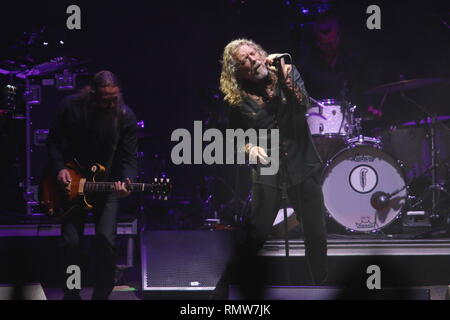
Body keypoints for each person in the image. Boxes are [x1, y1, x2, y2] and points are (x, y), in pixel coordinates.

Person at [213, 39, 328, 299]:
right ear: (237, 71)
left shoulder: (287, 72)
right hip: (267, 171)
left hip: (302, 164)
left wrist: (285, 71)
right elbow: (232, 138)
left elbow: (302, 105)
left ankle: (321, 290)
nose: (252, 61)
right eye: (244, 60)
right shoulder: (236, 98)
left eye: (253, 54)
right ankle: (219, 297)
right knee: (255, 237)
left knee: (317, 236)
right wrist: (248, 149)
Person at [46, 70, 138, 300]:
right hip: (70, 187)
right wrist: (60, 168)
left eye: (115, 98)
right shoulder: (71, 107)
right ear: (93, 95)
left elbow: (129, 158)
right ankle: (72, 293)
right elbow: (54, 141)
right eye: (106, 99)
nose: (111, 104)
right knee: (71, 244)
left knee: (106, 240)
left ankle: (101, 295)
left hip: (104, 189)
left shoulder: (125, 116)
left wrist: (127, 182)